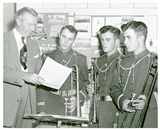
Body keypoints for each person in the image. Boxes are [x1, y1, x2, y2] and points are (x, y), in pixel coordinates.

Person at [110, 21, 157, 128]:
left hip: (148, 119)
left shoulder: (155, 61)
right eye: (124, 38)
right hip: (125, 120)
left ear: (140, 38)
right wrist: (122, 101)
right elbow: (114, 87)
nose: (124, 42)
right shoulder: (121, 61)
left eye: (128, 37)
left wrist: (146, 100)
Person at [36, 25, 89, 119]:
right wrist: (40, 108)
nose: (65, 42)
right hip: (51, 104)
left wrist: (78, 99)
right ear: (59, 35)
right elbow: (40, 85)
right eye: (64, 37)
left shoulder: (80, 59)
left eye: (70, 39)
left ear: (73, 40)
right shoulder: (47, 57)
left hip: (71, 106)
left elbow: (86, 84)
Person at [3, 7, 44, 127]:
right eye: (30, 24)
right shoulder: (3, 40)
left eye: (35, 25)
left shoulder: (35, 44)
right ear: (18, 21)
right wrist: (25, 76)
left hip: (28, 105)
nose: (33, 29)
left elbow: (37, 72)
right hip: (7, 102)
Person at [90, 25, 121, 127]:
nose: (103, 43)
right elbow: (94, 85)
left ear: (116, 42)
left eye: (107, 40)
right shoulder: (98, 61)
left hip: (114, 109)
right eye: (102, 40)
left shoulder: (123, 61)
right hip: (97, 108)